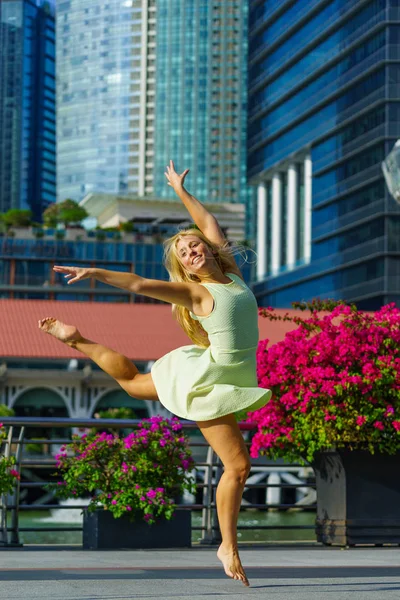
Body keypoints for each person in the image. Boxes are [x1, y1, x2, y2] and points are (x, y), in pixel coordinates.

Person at [38, 161, 271, 587]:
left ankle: (76, 340)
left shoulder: (232, 275)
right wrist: (95, 272)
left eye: (193, 245)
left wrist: (180, 190)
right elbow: (141, 285)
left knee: (133, 384)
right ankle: (227, 544)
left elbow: (207, 220)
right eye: (183, 252)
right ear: (182, 268)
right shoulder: (195, 291)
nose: (191, 251)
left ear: (206, 247)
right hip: (210, 383)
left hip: (222, 373)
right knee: (237, 467)